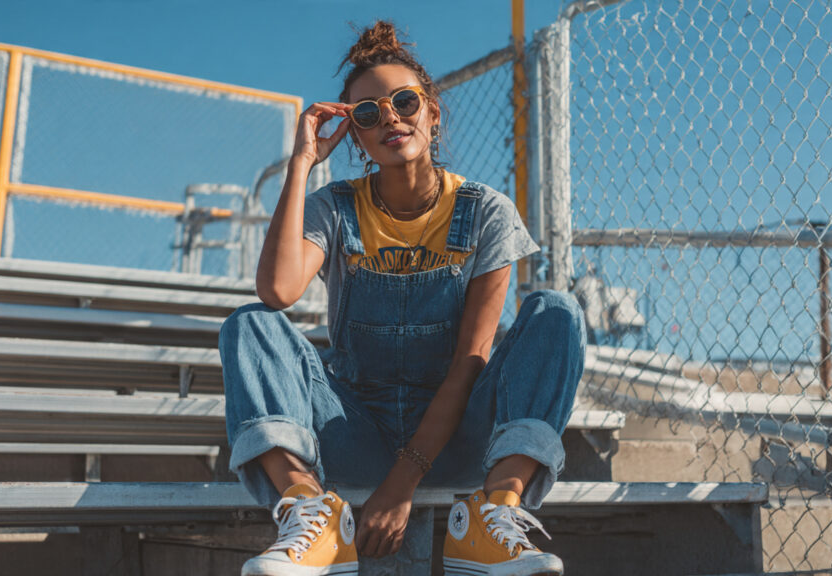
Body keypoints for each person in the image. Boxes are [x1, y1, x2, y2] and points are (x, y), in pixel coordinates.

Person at [219, 20, 586, 576]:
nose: (389, 116)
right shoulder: (336, 208)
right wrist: (302, 164)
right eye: (367, 113)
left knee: (556, 311)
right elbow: (278, 290)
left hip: (458, 438)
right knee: (250, 323)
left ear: (432, 112)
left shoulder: (485, 212)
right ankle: (313, 514)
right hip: (353, 430)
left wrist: (402, 481)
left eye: (404, 101)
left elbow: (470, 364)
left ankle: (494, 514)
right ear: (357, 138)